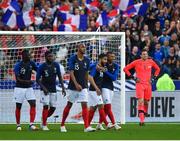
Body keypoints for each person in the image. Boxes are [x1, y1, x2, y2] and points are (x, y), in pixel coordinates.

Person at [60, 43, 96, 132]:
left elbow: (87, 73)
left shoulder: (87, 60)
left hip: (83, 86)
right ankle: (62, 125)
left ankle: (86, 127)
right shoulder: (73, 58)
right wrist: (76, 84)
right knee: (69, 104)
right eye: (82, 47)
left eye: (84, 47)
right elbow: (71, 72)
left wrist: (86, 84)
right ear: (78, 48)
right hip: (73, 86)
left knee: (84, 104)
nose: (84, 48)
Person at [123, 49, 160, 126]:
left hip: (148, 85)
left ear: (147, 55)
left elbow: (158, 69)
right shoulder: (136, 62)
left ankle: (145, 113)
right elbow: (125, 69)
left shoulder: (151, 62)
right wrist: (133, 78)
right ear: (141, 55)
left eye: (146, 54)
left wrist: (153, 78)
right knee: (141, 101)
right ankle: (141, 120)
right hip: (139, 84)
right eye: (143, 54)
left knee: (146, 101)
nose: (144, 55)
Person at [36, 51, 66, 131]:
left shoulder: (56, 65)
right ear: (46, 57)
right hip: (44, 90)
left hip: (53, 89)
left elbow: (59, 76)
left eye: (52, 56)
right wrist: (44, 88)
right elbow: (37, 79)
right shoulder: (42, 66)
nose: (51, 58)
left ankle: (43, 119)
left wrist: (63, 88)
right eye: (49, 56)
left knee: (53, 108)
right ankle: (44, 125)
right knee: (45, 106)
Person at [13, 50, 38, 131]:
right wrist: (28, 81)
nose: (29, 56)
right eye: (28, 55)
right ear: (23, 56)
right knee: (18, 106)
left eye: (29, 55)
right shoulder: (18, 65)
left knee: (33, 104)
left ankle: (31, 124)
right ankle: (18, 125)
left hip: (28, 88)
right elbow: (17, 79)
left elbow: (38, 70)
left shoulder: (31, 63)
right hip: (19, 88)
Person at [88, 53, 113, 130]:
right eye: (104, 59)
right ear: (100, 59)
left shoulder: (101, 67)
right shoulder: (95, 67)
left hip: (97, 90)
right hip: (94, 90)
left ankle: (87, 125)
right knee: (101, 106)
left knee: (93, 108)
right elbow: (90, 77)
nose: (106, 61)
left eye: (106, 59)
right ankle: (107, 124)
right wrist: (96, 88)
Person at [97, 51, 121, 130]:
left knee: (107, 108)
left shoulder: (116, 66)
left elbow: (114, 78)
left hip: (111, 87)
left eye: (113, 57)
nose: (113, 58)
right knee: (108, 106)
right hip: (103, 87)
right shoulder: (103, 64)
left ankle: (99, 124)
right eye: (111, 57)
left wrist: (106, 71)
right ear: (107, 57)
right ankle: (114, 124)